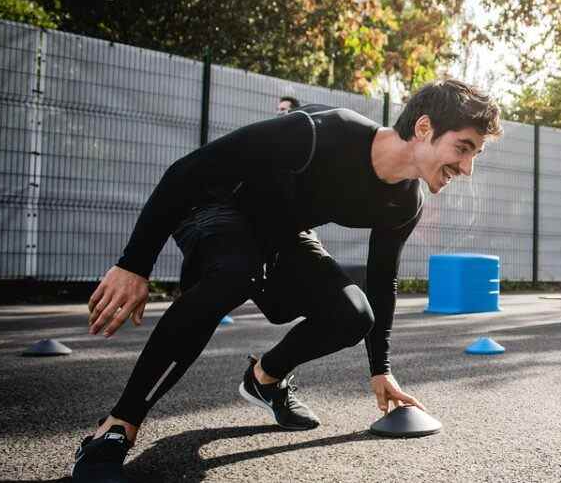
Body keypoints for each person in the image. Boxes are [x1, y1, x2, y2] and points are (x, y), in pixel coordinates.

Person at [73, 79, 501, 482]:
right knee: (234, 272)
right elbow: (188, 171)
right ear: (424, 128)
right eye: (463, 149)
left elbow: (381, 279)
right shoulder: (320, 132)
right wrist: (134, 264)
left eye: (474, 155)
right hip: (214, 208)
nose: (466, 168)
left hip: (279, 233)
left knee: (353, 314)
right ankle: (117, 426)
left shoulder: (405, 202)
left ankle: (264, 379)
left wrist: (381, 369)